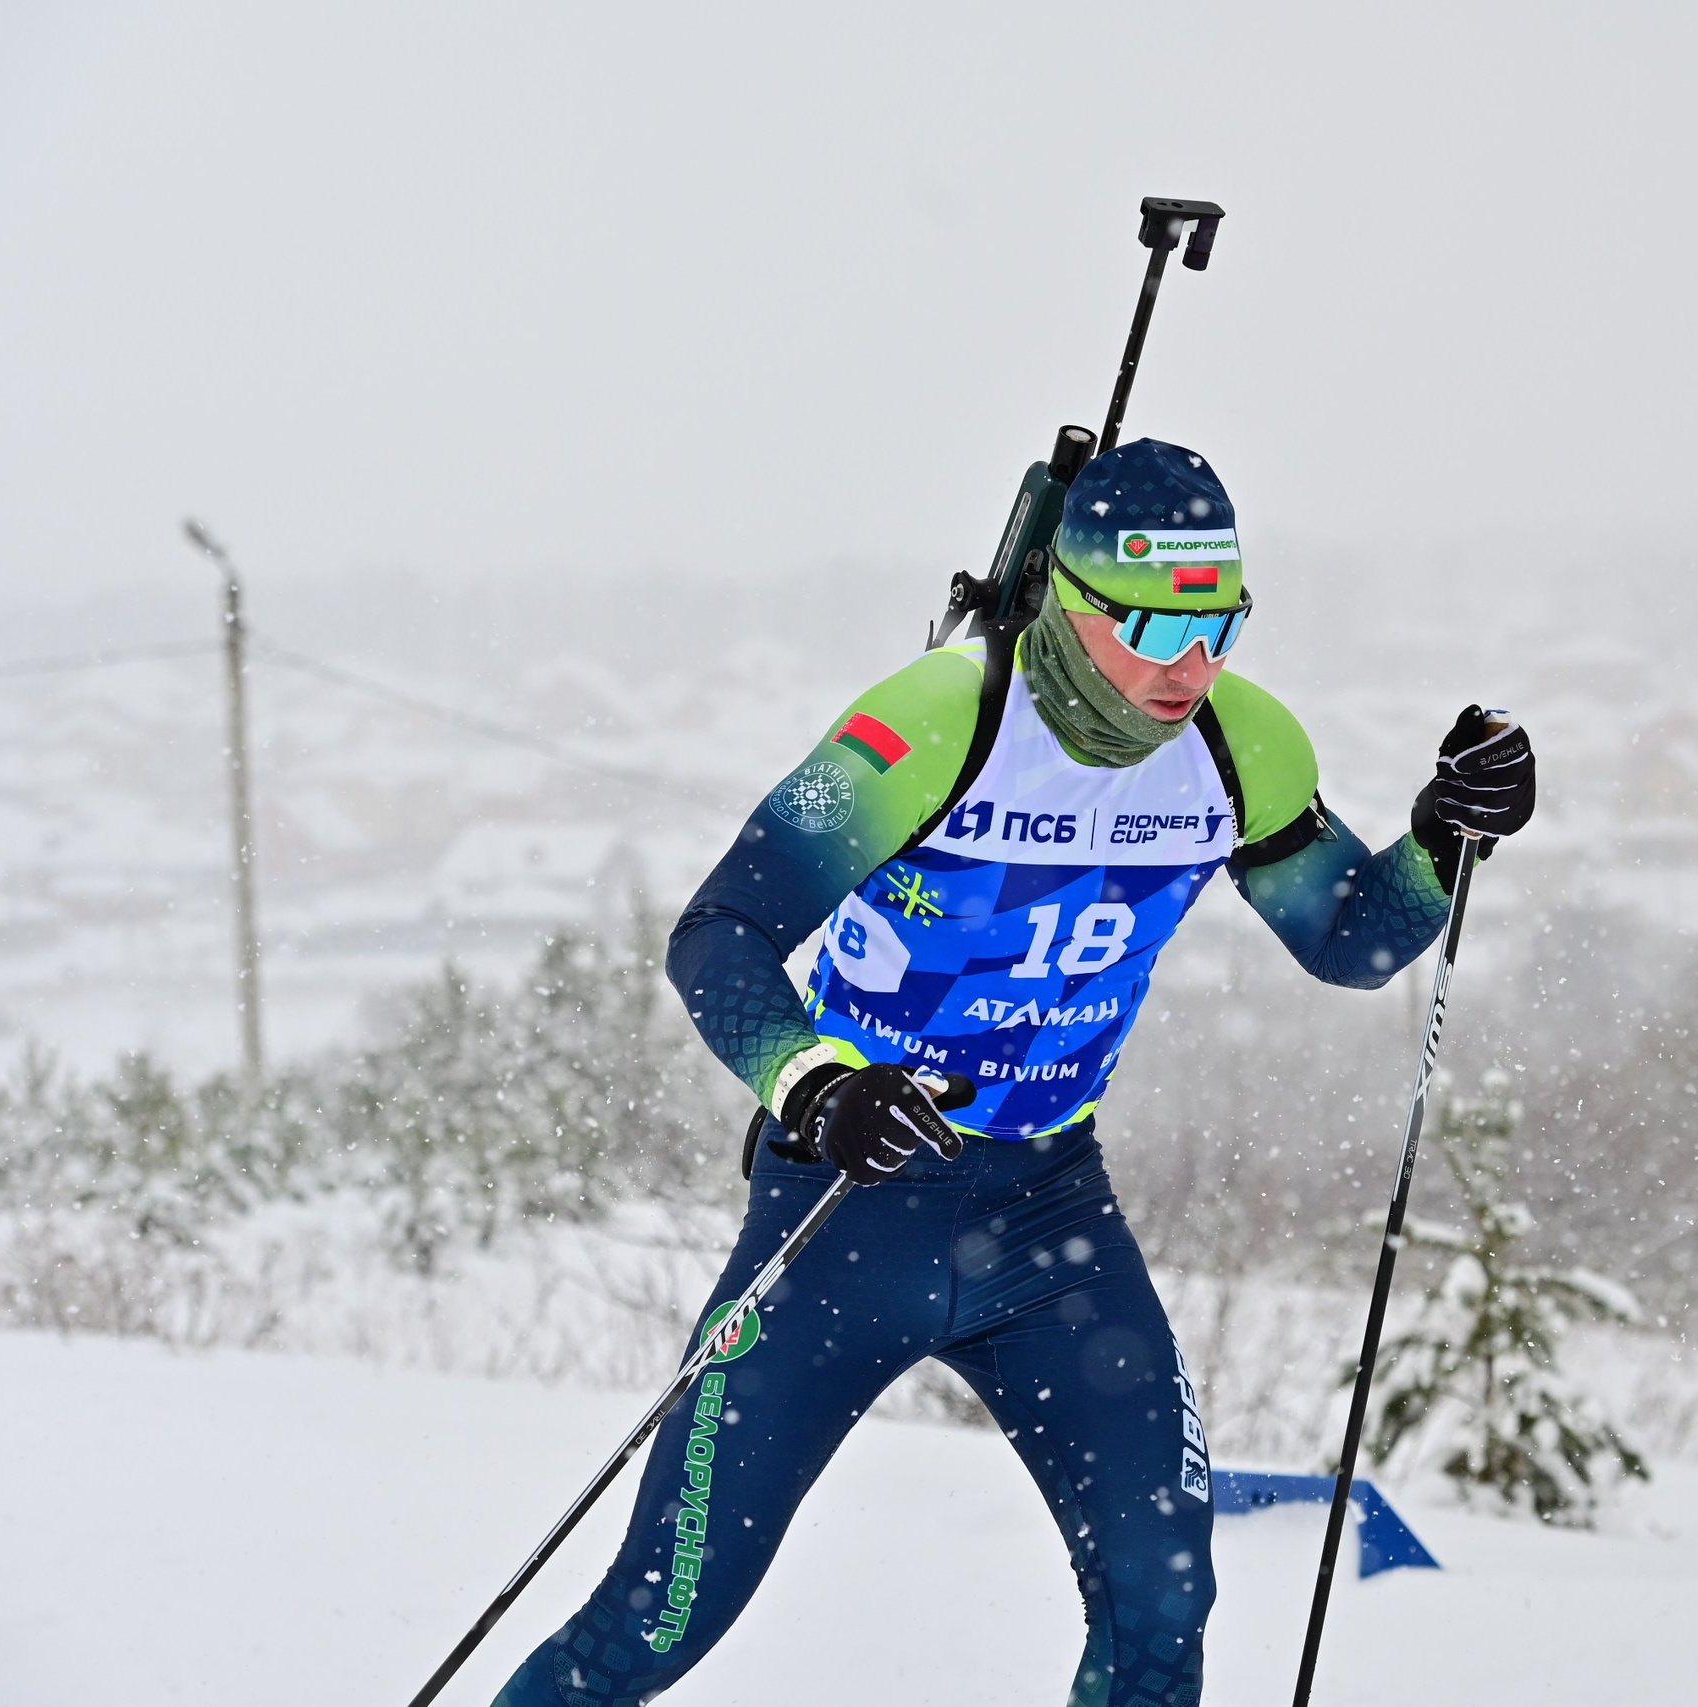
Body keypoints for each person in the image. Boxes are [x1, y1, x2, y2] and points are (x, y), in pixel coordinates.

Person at [492, 439, 1535, 1707]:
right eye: (1150, 624)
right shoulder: (937, 718)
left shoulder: (1236, 744)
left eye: (1220, 627)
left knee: (1162, 1602)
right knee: (660, 1620)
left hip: (1048, 1219)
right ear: (1070, 598)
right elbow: (722, 932)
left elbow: (1352, 940)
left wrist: (1439, 837)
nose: (1186, 666)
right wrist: (816, 1083)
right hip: (847, 1210)